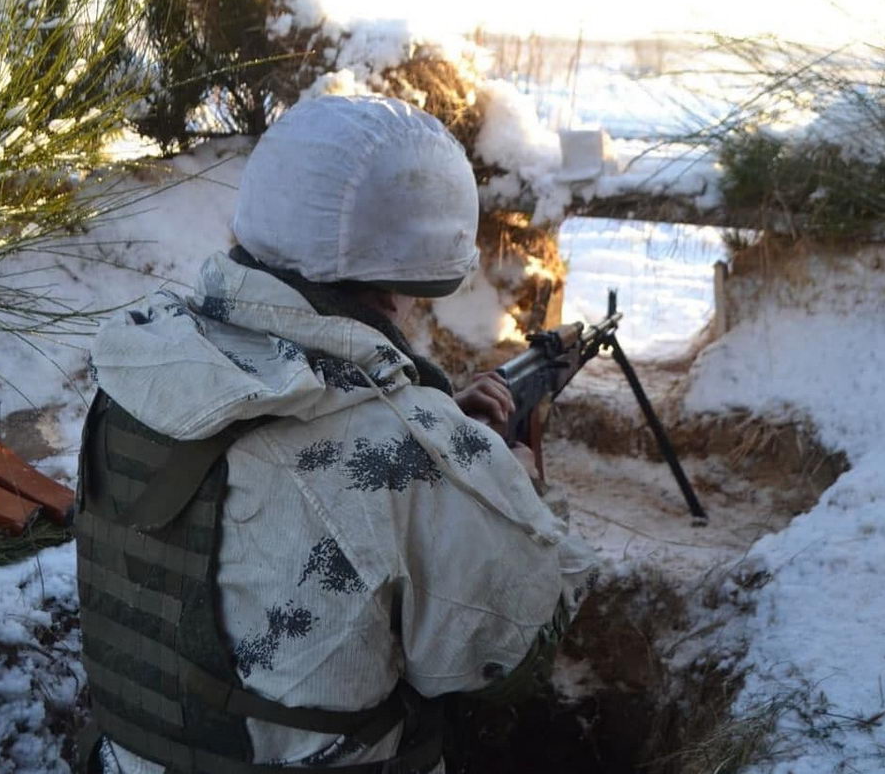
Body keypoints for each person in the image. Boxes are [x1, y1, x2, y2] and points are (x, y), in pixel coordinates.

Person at [73, 95, 599, 774]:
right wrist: (521, 489)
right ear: (408, 279)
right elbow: (504, 664)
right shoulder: (404, 446)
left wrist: (430, 415)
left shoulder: (144, 366)